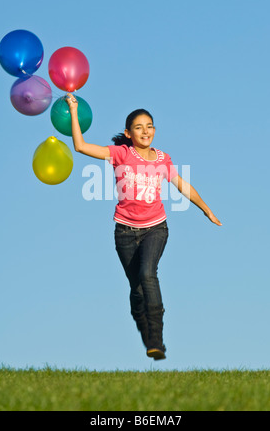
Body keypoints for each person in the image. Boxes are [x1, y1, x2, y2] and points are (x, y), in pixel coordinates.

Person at [66, 93, 222, 360]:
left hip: (155, 229)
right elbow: (80, 146)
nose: (145, 131)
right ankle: (145, 331)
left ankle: (157, 342)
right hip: (124, 232)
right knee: (137, 289)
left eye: (149, 126)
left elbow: (182, 184)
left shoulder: (162, 158)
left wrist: (206, 209)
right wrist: (73, 109)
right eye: (138, 127)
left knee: (148, 275)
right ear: (128, 133)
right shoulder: (120, 153)